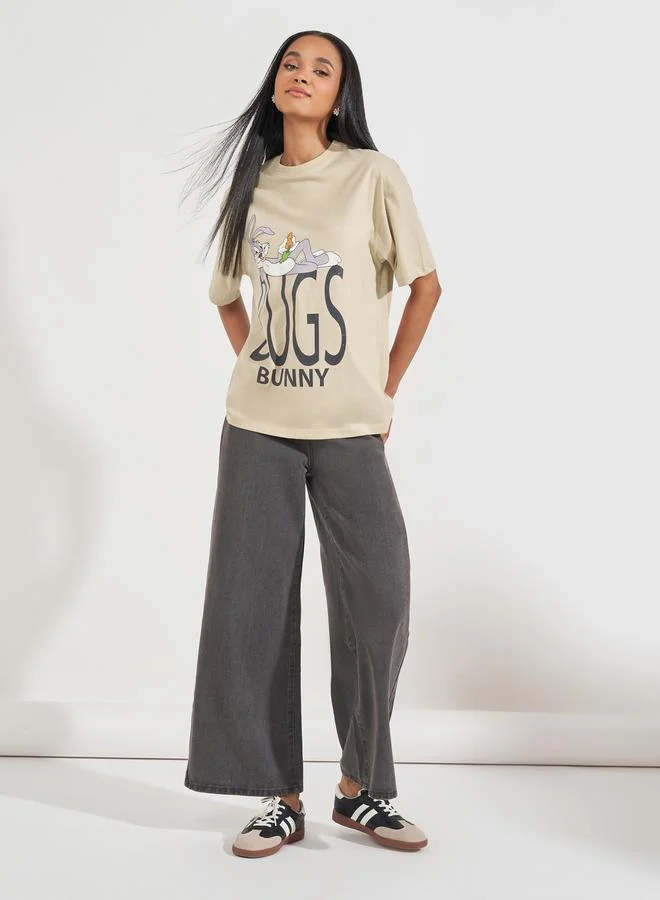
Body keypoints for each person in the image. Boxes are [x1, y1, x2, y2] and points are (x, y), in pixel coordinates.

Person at [181, 29, 442, 859]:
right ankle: (278, 796)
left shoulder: (373, 176)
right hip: (257, 428)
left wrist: (382, 388)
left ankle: (360, 789)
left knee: (381, 596)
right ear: (274, 85)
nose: (302, 75)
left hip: (350, 429)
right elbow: (227, 298)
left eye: (321, 68)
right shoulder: (251, 190)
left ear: (339, 95)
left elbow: (426, 286)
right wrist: (261, 365)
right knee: (249, 607)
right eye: (291, 64)